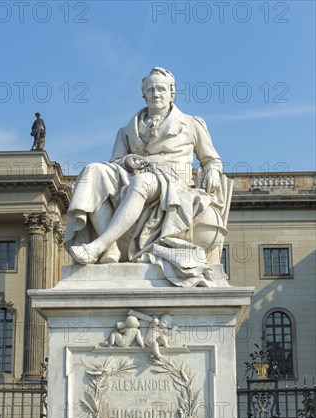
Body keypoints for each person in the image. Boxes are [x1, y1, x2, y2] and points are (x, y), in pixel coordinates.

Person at [65, 67, 229, 286]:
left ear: (172, 92)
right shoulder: (127, 130)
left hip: (173, 182)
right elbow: (115, 162)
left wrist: (213, 172)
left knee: (142, 183)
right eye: (150, 89)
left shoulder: (191, 124)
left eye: (161, 89)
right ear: (144, 94)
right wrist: (126, 161)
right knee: (93, 172)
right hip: (134, 175)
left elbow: (211, 159)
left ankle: (97, 246)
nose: (156, 94)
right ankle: (111, 248)